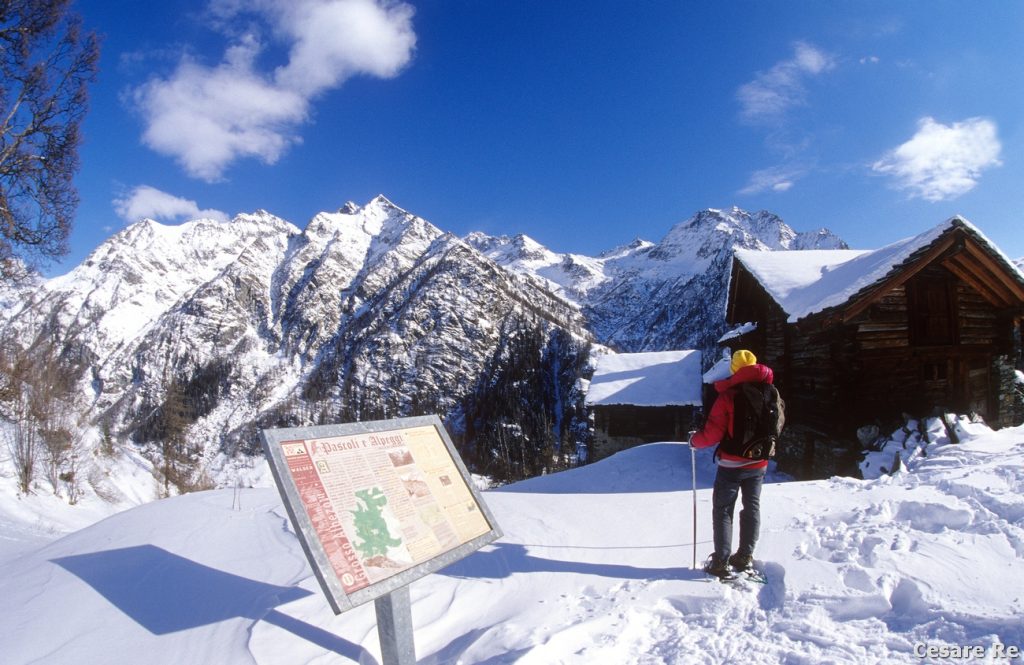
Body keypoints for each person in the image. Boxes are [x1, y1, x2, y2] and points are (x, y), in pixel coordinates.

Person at [690, 349, 774, 578]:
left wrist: (693, 440)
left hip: (731, 465)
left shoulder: (729, 396)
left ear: (735, 369)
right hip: (759, 463)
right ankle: (745, 555)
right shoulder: (771, 392)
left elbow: (712, 434)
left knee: (723, 510)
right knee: (752, 508)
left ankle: (720, 560)